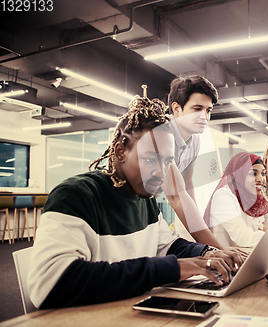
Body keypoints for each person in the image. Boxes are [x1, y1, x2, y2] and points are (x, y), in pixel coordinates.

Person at [27, 93, 243, 309]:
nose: (161, 172)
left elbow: (167, 246)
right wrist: (171, 269)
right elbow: (50, 284)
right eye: (151, 159)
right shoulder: (76, 195)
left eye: (167, 162)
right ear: (121, 151)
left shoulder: (145, 198)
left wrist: (206, 253)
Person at [166, 75, 223, 248]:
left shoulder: (195, 140)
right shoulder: (162, 134)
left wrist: (202, 229)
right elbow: (175, 196)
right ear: (177, 109)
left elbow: (187, 184)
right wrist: (217, 248)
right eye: (197, 109)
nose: (205, 117)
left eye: (208, 110)